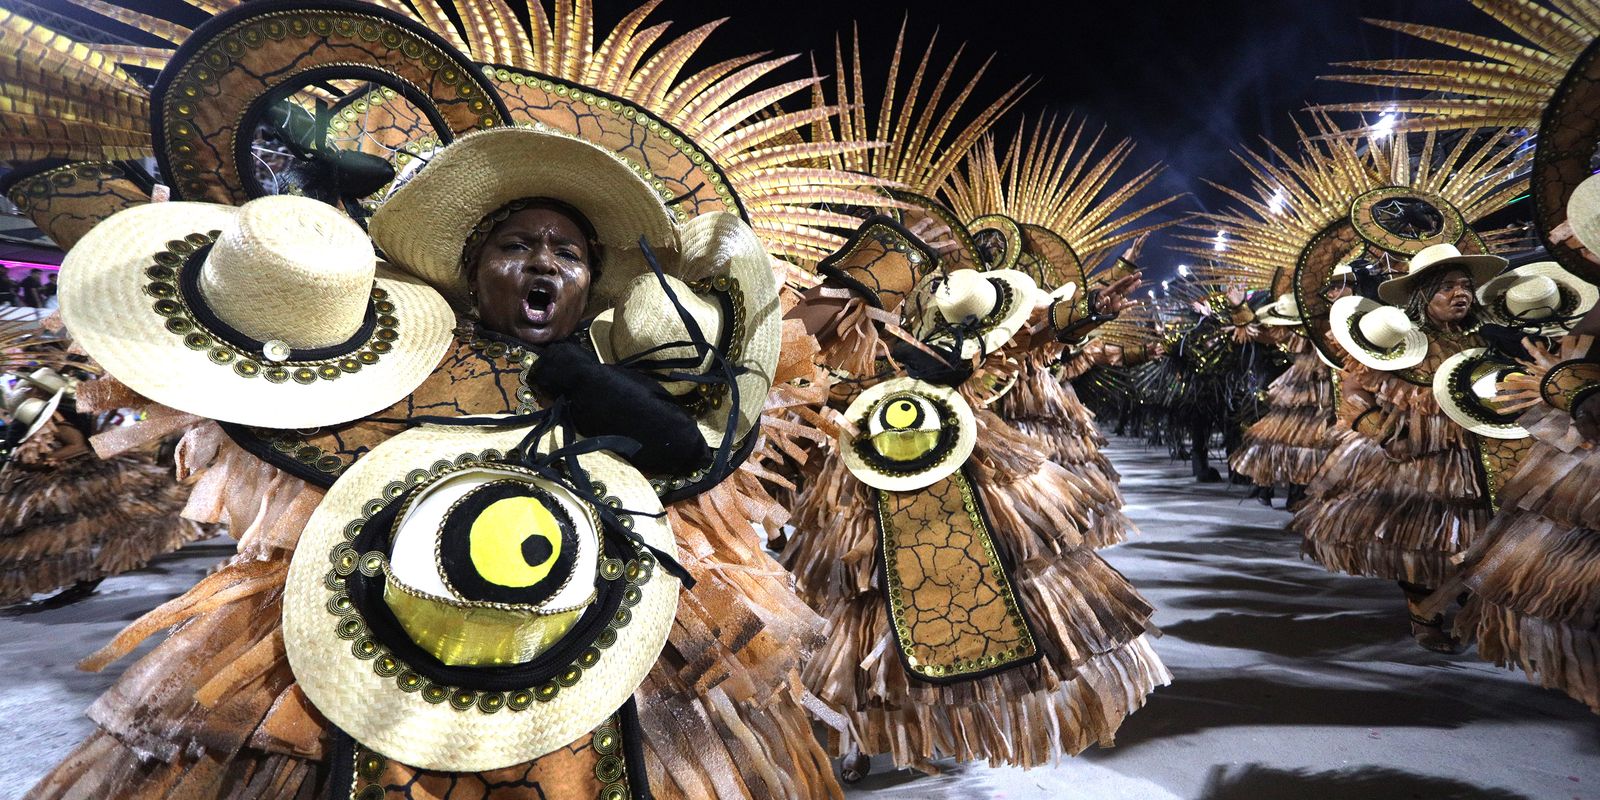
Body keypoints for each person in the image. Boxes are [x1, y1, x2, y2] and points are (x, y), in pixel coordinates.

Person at [1297, 244, 1514, 652]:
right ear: (1421, 295)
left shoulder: (1482, 339)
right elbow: (1354, 394)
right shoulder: (1398, 341)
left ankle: (1468, 607)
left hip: (1475, 456)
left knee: (1476, 537)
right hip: (1414, 460)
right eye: (1446, 286)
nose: (1459, 294)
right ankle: (1424, 615)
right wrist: (1384, 435)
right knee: (1423, 540)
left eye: (1465, 285)